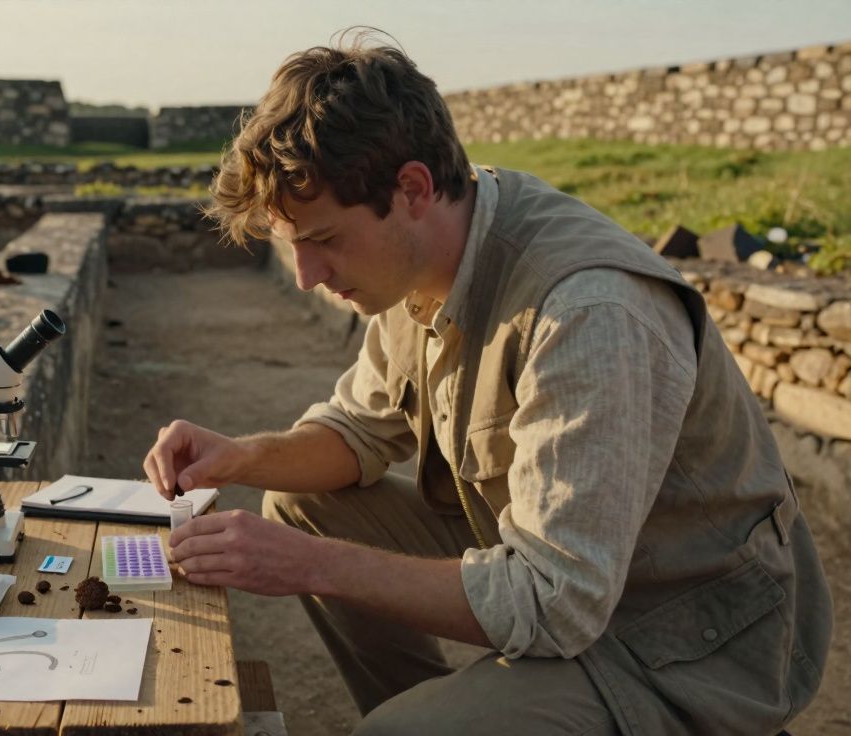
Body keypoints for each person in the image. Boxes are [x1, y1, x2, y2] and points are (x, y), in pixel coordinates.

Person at [143, 32, 831, 736]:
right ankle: (443, 712)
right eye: (291, 246)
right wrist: (241, 456)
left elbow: (556, 599)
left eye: (322, 240)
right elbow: (357, 430)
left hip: (680, 638)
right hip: (567, 579)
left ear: (411, 188)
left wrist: (310, 566)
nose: (307, 277)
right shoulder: (428, 252)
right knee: (300, 499)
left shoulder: (588, 312)